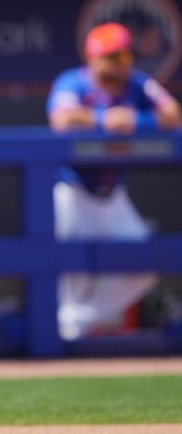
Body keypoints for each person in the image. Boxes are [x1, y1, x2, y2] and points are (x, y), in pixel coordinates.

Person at [47, 22, 181, 340]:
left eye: (126, 56)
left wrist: (137, 119)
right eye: (114, 57)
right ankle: (61, 332)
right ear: (94, 59)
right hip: (74, 189)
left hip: (113, 194)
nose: (123, 63)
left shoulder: (137, 84)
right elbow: (62, 119)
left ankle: (76, 322)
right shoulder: (74, 81)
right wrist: (101, 119)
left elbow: (173, 113)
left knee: (144, 264)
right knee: (70, 272)